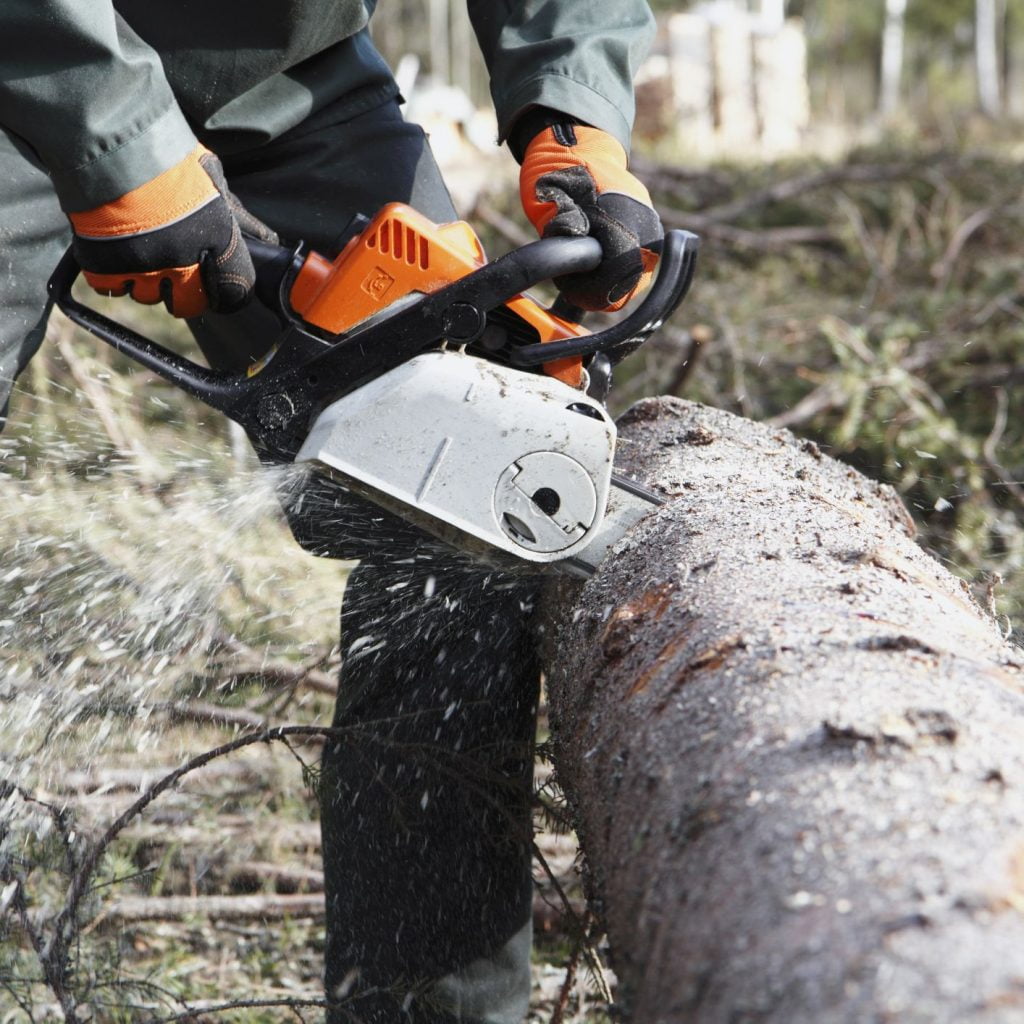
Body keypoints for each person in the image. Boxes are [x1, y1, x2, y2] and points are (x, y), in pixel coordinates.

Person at [0, 3, 663, 1021]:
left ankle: (423, 1006)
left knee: (468, 513)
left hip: (286, 72)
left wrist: (573, 110)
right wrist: (113, 125)